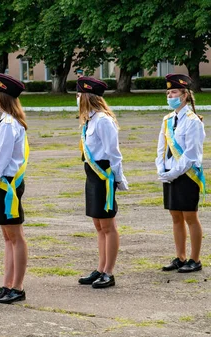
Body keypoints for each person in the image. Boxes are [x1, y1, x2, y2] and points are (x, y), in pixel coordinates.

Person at [75, 77, 128, 289]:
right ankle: (100, 267)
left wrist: (118, 178)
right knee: (98, 224)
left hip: (104, 175)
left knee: (108, 225)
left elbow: (113, 153)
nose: (77, 98)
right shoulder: (91, 119)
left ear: (87, 96)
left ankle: (109, 272)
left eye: (79, 95)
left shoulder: (103, 120)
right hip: (92, 175)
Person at [0, 74, 29, 305]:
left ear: (0, 96)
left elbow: (0, 161)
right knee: (8, 238)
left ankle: (17, 286)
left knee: (15, 237)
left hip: (6, 185)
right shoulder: (5, 121)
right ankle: (7, 283)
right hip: (3, 185)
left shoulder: (9, 125)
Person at [156, 74, 206, 273]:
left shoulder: (193, 122)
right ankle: (180, 256)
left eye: (174, 92)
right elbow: (161, 147)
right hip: (169, 173)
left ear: (185, 95)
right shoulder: (167, 120)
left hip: (186, 175)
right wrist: (161, 168)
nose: (170, 96)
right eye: (168, 93)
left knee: (190, 216)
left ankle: (195, 259)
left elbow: (191, 154)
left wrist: (174, 173)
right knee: (175, 216)